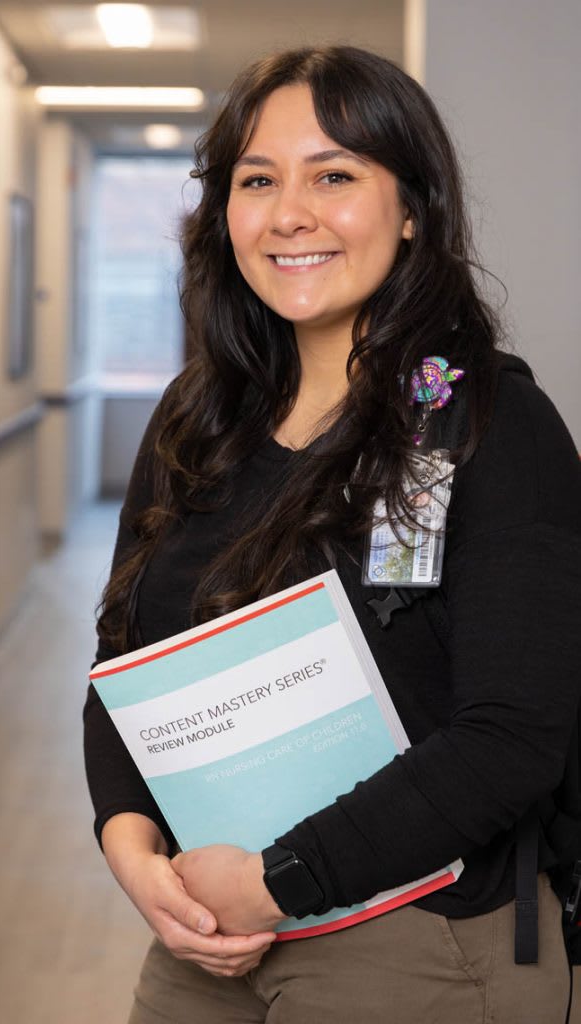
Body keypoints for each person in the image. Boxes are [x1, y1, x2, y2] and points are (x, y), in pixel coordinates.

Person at [83, 45, 581, 1023]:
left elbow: (512, 736)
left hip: (420, 937)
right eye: (256, 179)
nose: (288, 212)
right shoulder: (195, 418)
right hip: (206, 930)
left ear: (410, 211)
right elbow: (123, 664)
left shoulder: (482, 421)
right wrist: (131, 849)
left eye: (335, 175)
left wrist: (281, 875)